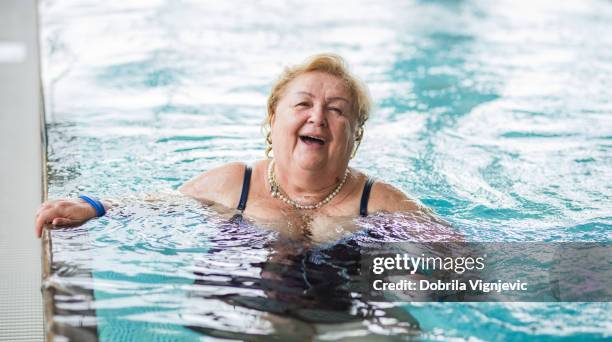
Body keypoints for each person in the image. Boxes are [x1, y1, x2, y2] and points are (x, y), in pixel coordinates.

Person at [35, 53, 435, 242]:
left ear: (356, 136)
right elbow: (158, 204)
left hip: (352, 311)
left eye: (336, 110)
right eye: (303, 104)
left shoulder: (380, 201)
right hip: (247, 304)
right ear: (273, 118)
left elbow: (459, 256)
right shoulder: (233, 184)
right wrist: (94, 206)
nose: (318, 117)